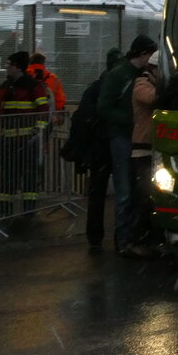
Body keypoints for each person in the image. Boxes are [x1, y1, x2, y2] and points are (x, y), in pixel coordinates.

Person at [97, 35, 158, 259]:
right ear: (143, 54)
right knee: (126, 189)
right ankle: (124, 239)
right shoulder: (121, 75)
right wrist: (130, 120)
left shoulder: (131, 75)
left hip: (129, 136)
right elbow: (103, 107)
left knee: (133, 189)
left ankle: (130, 238)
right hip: (123, 137)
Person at [65, 48, 121, 253]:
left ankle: (95, 238)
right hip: (113, 144)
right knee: (123, 192)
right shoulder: (119, 87)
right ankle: (121, 237)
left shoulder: (94, 88)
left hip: (97, 148)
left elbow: (82, 119)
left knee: (97, 194)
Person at [0, 51, 50, 216]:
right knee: (7, 174)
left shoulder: (33, 86)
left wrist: (38, 131)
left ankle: (29, 208)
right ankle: (4, 206)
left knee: (28, 174)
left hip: (27, 139)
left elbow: (43, 110)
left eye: (9, 64)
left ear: (17, 67)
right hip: (7, 139)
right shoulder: (4, 86)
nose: (6, 67)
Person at [129, 50, 161, 248]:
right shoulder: (141, 84)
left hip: (155, 147)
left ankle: (151, 239)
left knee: (152, 196)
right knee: (144, 197)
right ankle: (137, 239)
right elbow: (153, 99)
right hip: (143, 147)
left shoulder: (151, 84)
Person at [27, 52, 67, 123]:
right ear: (43, 63)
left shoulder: (24, 75)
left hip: (26, 117)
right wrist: (58, 112)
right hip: (47, 117)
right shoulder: (54, 79)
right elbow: (59, 100)